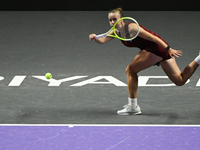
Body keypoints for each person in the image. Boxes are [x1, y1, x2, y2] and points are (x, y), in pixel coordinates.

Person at [89, 8, 200, 115]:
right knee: (180, 81)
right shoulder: (116, 32)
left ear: (122, 19)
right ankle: (199, 59)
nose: (113, 22)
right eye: (110, 20)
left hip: (156, 48)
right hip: (152, 51)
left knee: (130, 70)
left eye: (115, 19)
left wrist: (168, 48)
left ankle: (133, 107)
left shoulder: (132, 28)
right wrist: (95, 39)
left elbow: (153, 38)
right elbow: (102, 40)